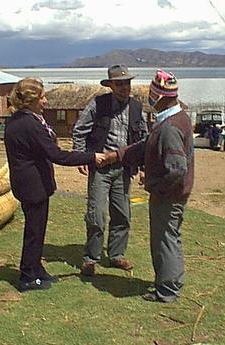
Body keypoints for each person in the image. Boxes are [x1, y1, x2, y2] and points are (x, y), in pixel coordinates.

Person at [4, 77, 105, 292]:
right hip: (33, 186)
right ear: (31, 100)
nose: (46, 101)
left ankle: (36, 268)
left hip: (30, 184)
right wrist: (90, 157)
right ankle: (27, 277)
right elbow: (56, 155)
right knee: (34, 231)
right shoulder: (29, 124)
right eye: (42, 97)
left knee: (38, 230)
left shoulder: (20, 119)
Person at [102, 69, 194, 303]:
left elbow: (177, 168)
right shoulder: (173, 118)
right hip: (171, 193)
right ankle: (171, 282)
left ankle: (167, 290)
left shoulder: (170, 127)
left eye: (153, 94)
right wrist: (117, 155)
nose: (149, 98)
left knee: (164, 240)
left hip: (168, 196)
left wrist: (155, 185)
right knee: (169, 238)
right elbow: (145, 146)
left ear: (161, 96)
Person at [72, 64, 148, 276]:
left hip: (124, 169)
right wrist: (81, 156)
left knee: (122, 214)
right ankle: (90, 258)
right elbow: (79, 131)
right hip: (101, 168)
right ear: (111, 86)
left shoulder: (136, 107)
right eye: (120, 84)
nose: (125, 87)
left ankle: (116, 255)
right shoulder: (98, 104)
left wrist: (143, 166)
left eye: (128, 83)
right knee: (96, 214)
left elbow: (142, 140)